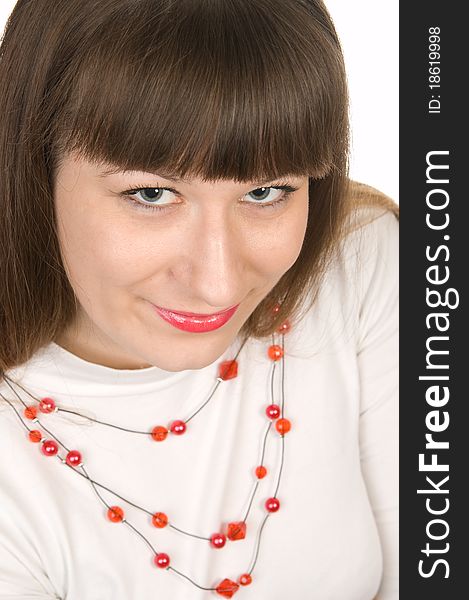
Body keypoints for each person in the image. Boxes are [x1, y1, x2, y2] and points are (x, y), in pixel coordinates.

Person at [0, 1, 398, 598]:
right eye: (153, 194)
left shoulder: (359, 260)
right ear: (34, 169)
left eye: (266, 191)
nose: (217, 283)